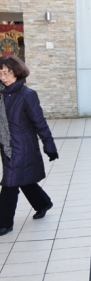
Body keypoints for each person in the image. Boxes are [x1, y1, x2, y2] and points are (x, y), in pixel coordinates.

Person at [0, 56, 58, 237]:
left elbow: (39, 123)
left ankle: (4, 223)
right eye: (0, 73)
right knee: (23, 179)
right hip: (7, 146)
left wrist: (49, 145)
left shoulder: (27, 95)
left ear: (17, 72)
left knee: (10, 182)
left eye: (7, 73)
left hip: (22, 147)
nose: (3, 77)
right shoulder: (1, 94)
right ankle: (43, 203)